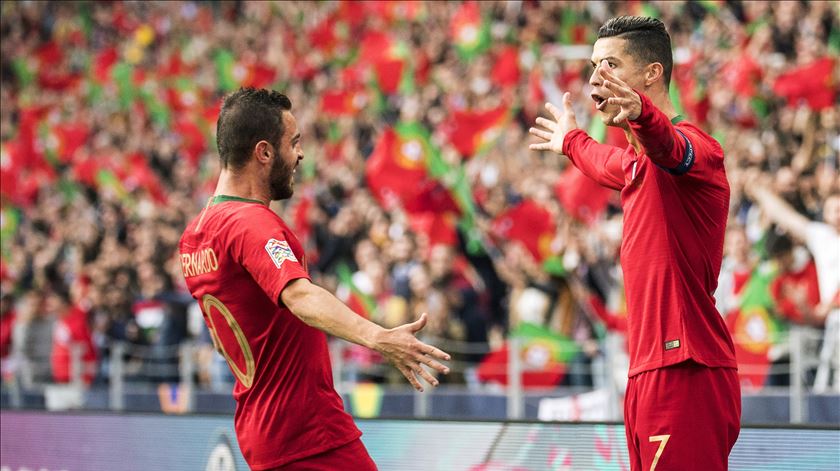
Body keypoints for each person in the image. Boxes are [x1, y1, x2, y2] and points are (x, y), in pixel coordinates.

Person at [178, 88, 450, 470]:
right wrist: (379, 337)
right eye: (293, 142)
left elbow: (225, 342)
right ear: (264, 152)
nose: (301, 154)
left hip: (262, 428)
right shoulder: (251, 224)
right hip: (306, 432)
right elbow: (300, 296)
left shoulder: (196, 235)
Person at [529, 16, 740, 470]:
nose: (594, 79)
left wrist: (644, 115)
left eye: (610, 65)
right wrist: (570, 140)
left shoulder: (700, 151)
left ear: (651, 73)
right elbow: (602, 159)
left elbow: (670, 146)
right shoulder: (634, 168)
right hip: (646, 374)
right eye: (592, 66)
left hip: (685, 369)